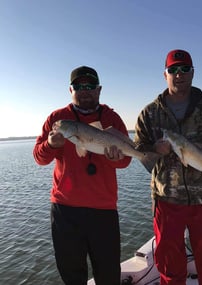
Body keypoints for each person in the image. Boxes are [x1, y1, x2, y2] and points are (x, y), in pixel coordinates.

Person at [134, 49, 202, 285]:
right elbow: (139, 149)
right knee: (169, 263)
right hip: (166, 199)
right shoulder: (149, 113)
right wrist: (154, 150)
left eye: (184, 69)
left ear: (192, 73)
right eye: (173, 70)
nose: (179, 74)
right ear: (165, 74)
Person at [33, 66, 131, 285]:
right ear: (71, 90)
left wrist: (117, 158)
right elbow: (39, 158)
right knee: (72, 275)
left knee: (108, 275)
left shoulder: (111, 118)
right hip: (65, 212)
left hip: (103, 211)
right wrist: (50, 144)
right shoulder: (58, 119)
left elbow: (125, 161)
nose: (85, 90)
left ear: (99, 90)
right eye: (79, 86)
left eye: (90, 86)